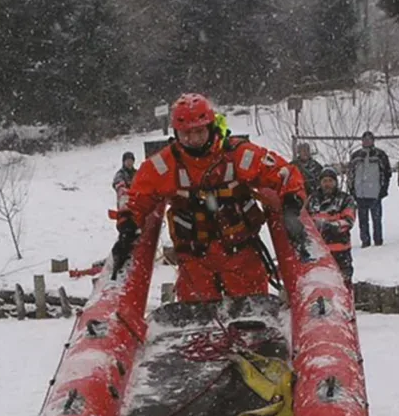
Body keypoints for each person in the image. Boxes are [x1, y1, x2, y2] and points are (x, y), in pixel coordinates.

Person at [114, 94, 308, 303]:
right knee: (199, 326)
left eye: (198, 132)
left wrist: (291, 205)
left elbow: (283, 173)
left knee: (252, 326)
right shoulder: (163, 166)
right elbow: (136, 197)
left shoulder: (238, 155)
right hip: (194, 261)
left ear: (211, 127)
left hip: (241, 257)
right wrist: (127, 227)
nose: (192, 139)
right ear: (176, 133)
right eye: (185, 133)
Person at [307, 166, 357, 279]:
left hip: (340, 250)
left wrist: (330, 226)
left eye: (330, 181)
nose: (327, 184)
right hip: (317, 251)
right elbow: (304, 220)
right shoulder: (312, 199)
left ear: (335, 182)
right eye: (324, 181)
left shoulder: (345, 199)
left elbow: (349, 221)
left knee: (343, 283)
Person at [348, 130, 392, 248]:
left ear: (373, 141)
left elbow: (386, 173)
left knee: (376, 219)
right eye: (364, 139)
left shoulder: (380, 155)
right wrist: (351, 189)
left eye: (369, 139)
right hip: (360, 192)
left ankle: (378, 240)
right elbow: (350, 173)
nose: (366, 141)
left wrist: (383, 189)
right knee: (363, 220)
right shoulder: (356, 155)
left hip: (375, 192)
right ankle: (365, 241)